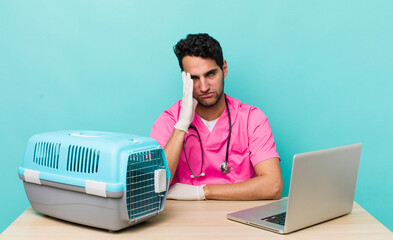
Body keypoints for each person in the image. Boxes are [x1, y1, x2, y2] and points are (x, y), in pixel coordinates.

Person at [150, 33, 282, 200]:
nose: (203, 87)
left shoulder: (251, 119)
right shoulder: (169, 121)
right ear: (184, 78)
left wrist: (202, 191)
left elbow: (273, 185)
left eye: (210, 74)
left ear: (224, 69)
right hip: (184, 219)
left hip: (239, 217)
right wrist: (182, 125)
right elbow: (155, 186)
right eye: (194, 78)